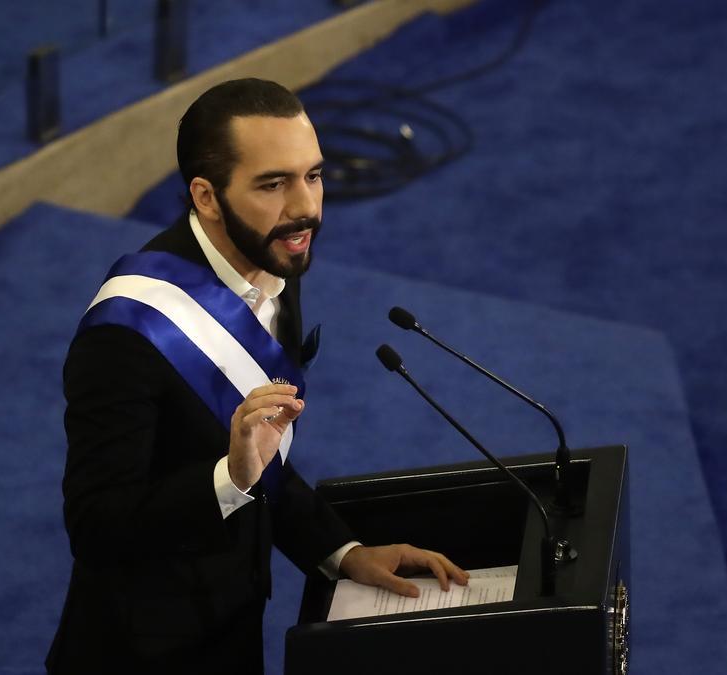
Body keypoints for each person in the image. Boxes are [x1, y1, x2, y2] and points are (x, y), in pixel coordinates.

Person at [45, 78, 468, 674]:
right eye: (273, 183)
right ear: (207, 196)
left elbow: (265, 460)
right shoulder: (126, 333)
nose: (306, 208)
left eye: (312, 176)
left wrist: (342, 553)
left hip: (236, 629)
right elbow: (96, 528)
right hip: (141, 651)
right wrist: (229, 477)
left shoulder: (277, 255)